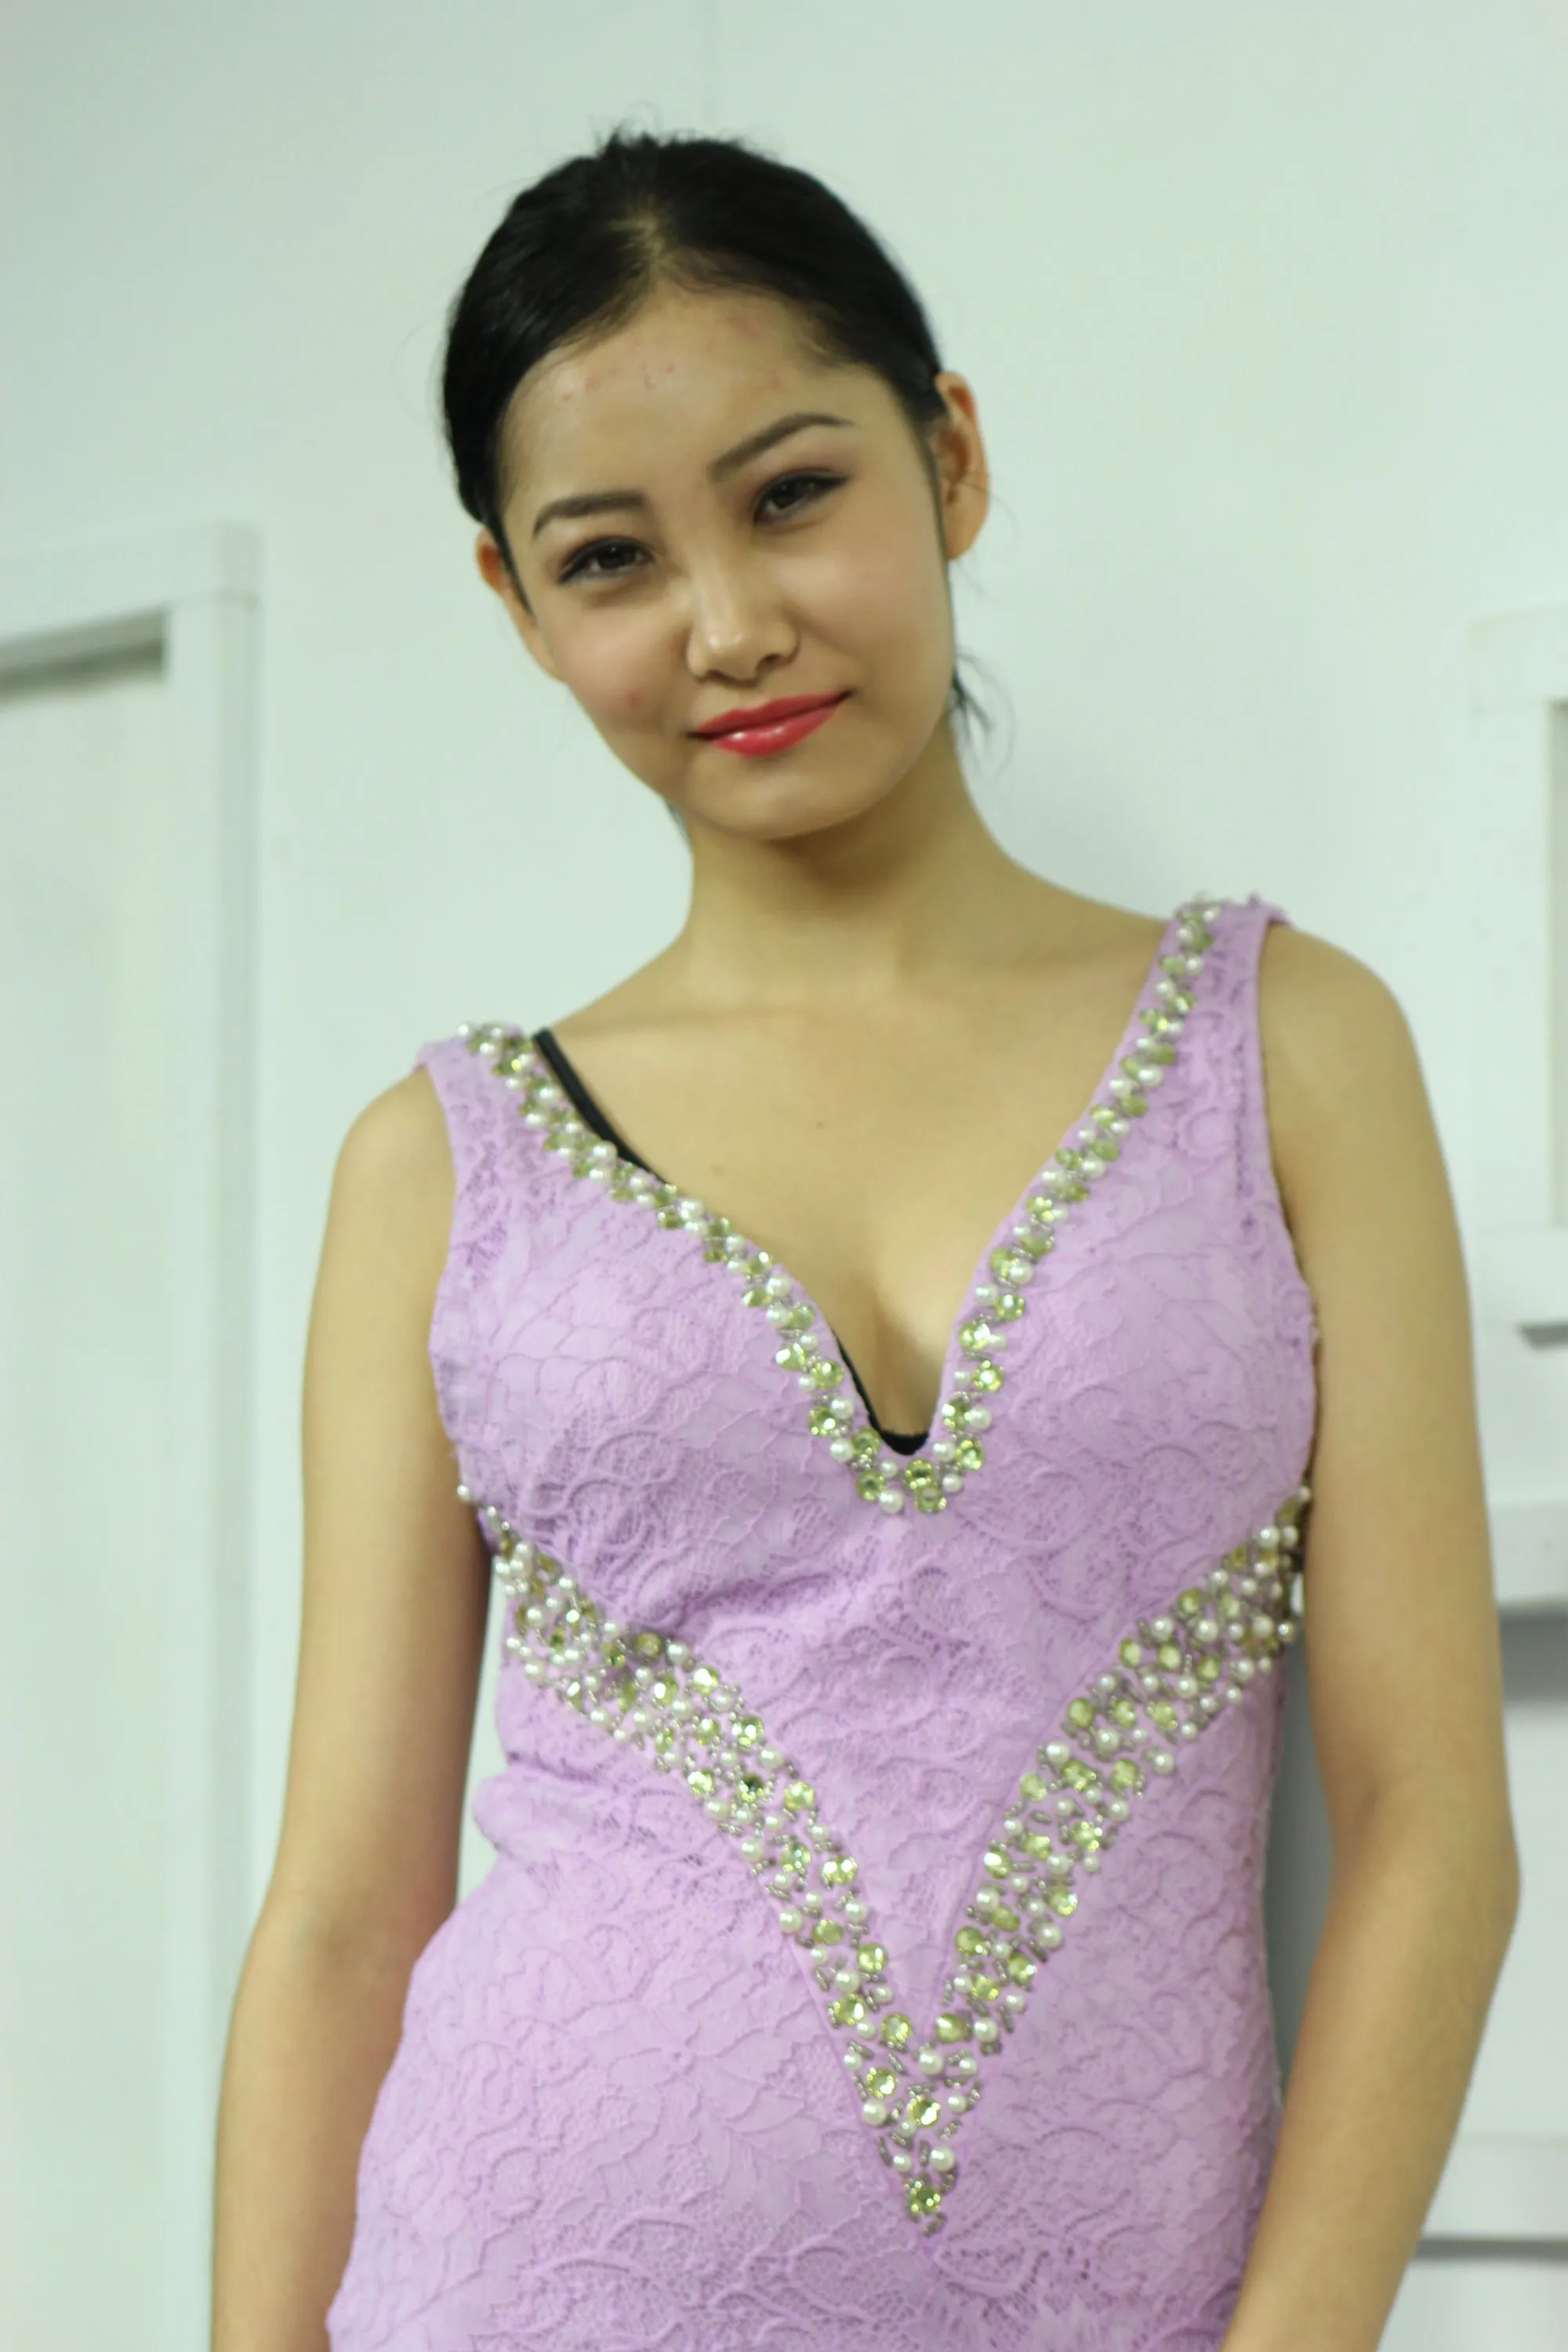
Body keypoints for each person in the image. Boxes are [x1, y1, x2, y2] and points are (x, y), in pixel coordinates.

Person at [212, 128, 1518, 2352]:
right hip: (507, 2290)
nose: (729, 623)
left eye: (792, 493)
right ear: (518, 609)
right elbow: (343, 1912)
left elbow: (1432, 1829)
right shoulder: (435, 1169)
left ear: (952, 459)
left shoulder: (1287, 1051)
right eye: (611, 558)